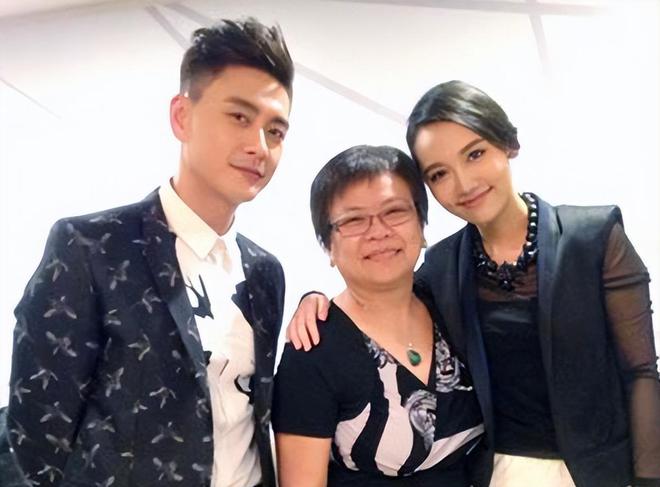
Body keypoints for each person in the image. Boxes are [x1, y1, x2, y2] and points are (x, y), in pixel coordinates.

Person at [289, 81, 660, 487]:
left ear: (508, 144)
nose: (464, 184)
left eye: (475, 154)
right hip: (497, 474)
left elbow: (641, 371)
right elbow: (381, 293)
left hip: (600, 471)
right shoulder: (443, 265)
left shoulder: (594, 237)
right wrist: (314, 298)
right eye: (439, 173)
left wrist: (647, 479)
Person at [2, 17, 293, 487]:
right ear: (182, 116)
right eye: (240, 117)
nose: (259, 146)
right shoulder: (91, 246)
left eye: (275, 131)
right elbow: (37, 432)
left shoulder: (264, 272)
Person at [273, 145, 485, 487]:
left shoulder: (450, 303)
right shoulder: (313, 349)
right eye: (354, 220)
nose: (378, 231)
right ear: (328, 246)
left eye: (395, 211)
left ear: (422, 225)